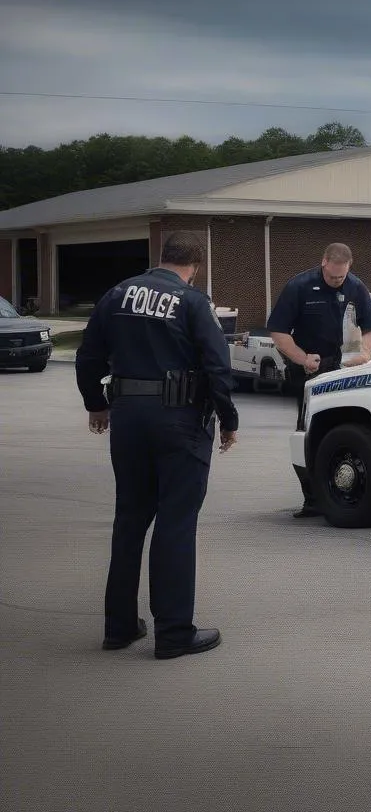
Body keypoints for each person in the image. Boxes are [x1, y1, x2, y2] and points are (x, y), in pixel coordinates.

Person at [75, 231, 239, 660]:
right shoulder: (192, 302)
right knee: (176, 522)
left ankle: (120, 626)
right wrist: (228, 421)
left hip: (128, 418)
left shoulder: (116, 295)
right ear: (195, 266)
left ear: (161, 257)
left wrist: (96, 405)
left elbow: (88, 356)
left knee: (129, 519)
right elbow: (218, 365)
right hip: (180, 421)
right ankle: (173, 633)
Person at [267, 242, 371, 517]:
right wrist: (302, 358)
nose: (336, 282)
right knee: (309, 433)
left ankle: (340, 490)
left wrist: (365, 352)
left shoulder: (356, 287)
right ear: (323, 263)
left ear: (349, 268)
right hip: (310, 369)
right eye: (332, 277)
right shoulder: (300, 286)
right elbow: (279, 331)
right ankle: (312, 499)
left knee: (346, 429)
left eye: (341, 277)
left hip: (345, 368)